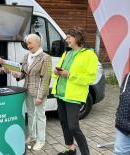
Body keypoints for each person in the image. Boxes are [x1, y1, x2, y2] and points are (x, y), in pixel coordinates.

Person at [51, 27, 98, 155]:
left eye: (68, 37)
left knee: (73, 127)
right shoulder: (66, 53)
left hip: (74, 96)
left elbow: (90, 78)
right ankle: (71, 149)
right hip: (61, 94)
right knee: (64, 123)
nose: (66, 40)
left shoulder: (89, 55)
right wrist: (56, 72)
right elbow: (57, 74)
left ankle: (85, 153)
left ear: (77, 37)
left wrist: (70, 75)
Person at [12, 33, 52, 151]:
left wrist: (40, 96)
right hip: (27, 90)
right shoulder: (26, 56)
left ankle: (41, 140)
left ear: (37, 43)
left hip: (39, 93)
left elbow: (46, 79)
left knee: (40, 116)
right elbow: (24, 73)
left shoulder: (45, 57)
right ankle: (32, 136)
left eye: (30, 43)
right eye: (27, 43)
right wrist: (17, 75)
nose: (28, 45)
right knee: (30, 114)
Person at [114, 72, 130, 155]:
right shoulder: (128, 76)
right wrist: (119, 116)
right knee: (121, 152)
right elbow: (123, 99)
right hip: (123, 126)